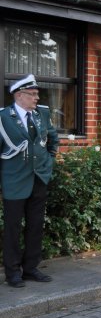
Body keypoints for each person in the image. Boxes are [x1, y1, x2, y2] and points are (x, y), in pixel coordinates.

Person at [1, 74, 59, 288]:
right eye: (32, 94)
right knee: (13, 228)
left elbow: (52, 139)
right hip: (14, 181)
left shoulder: (41, 113)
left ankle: (31, 268)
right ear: (19, 95)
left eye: (37, 94)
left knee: (35, 226)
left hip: (39, 178)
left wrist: (49, 162)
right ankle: (12, 272)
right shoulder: (3, 117)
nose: (37, 98)